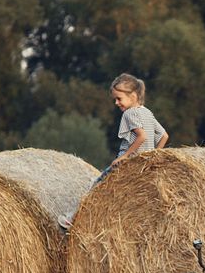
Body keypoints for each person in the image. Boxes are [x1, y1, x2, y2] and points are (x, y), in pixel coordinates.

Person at [58, 73, 168, 230]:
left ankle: (71, 219)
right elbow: (164, 135)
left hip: (127, 163)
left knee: (95, 186)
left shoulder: (129, 114)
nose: (116, 103)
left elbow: (141, 136)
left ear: (133, 96)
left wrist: (123, 157)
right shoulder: (147, 112)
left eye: (119, 98)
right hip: (143, 165)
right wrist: (153, 155)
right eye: (115, 99)